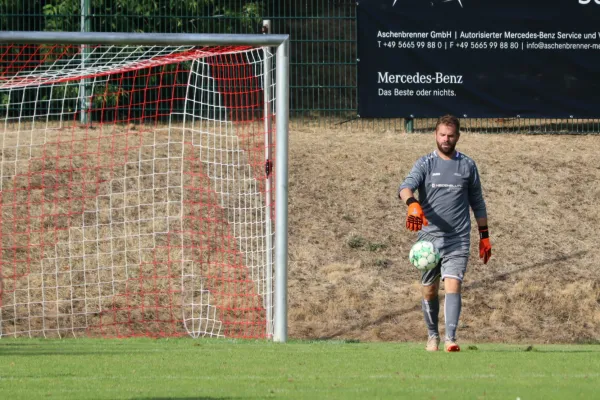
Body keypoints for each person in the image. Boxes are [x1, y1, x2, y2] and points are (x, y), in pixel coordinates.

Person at [398, 114, 492, 352]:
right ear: (435, 135)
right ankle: (432, 336)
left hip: (457, 239)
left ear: (458, 137)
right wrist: (413, 204)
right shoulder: (425, 164)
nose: (446, 139)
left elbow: (478, 203)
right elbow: (405, 187)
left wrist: (485, 236)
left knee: (453, 285)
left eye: (451, 136)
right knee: (429, 290)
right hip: (428, 240)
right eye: (442, 135)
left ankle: (450, 338)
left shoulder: (468, 166)